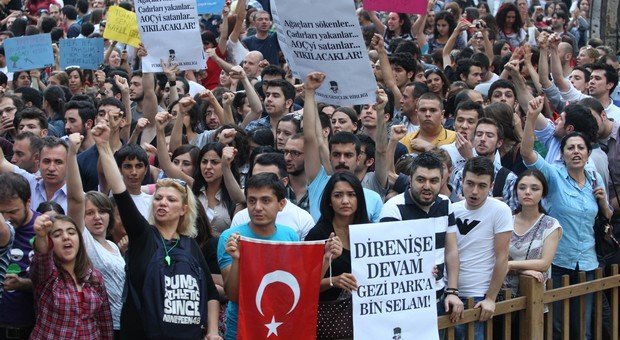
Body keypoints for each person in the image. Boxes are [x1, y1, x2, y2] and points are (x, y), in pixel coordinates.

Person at [94, 122, 222, 339]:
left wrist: (212, 331)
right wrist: (104, 147)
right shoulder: (143, 236)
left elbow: (210, 293)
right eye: (158, 198)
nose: (162, 203)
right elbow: (121, 193)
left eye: (171, 199)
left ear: (183, 209)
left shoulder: (190, 245)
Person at [522, 96, 609, 339]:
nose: (576, 152)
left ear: (588, 153)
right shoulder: (554, 176)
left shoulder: (594, 179)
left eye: (581, 148)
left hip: (589, 262)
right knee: (559, 327)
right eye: (570, 148)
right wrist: (530, 118)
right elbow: (527, 152)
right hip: (559, 261)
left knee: (584, 327)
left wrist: (603, 202)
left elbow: (608, 217)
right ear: (563, 153)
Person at [219, 173, 342, 340]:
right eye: (252, 200)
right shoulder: (231, 237)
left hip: (282, 331)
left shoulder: (290, 236)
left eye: (266, 200)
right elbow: (233, 295)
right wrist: (236, 259)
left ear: (282, 204)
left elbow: (303, 287)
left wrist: (327, 258)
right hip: (242, 332)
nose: (257, 207)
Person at [379, 152, 464, 324]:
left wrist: (452, 291)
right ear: (410, 179)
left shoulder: (445, 204)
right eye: (421, 180)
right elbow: (387, 262)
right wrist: (418, 269)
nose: (427, 186)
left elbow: (451, 250)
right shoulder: (393, 209)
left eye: (433, 181)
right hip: (403, 303)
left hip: (439, 299)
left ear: (442, 181)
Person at [65, 131, 126, 335]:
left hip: (121, 324)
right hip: (95, 324)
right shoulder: (83, 239)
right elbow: (74, 198)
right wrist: (72, 155)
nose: (97, 217)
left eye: (102, 211)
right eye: (89, 213)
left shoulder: (115, 247)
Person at [452, 156, 513, 340]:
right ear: (461, 181)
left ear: (491, 186)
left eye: (482, 185)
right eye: (470, 183)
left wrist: (490, 298)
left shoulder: (500, 210)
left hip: (478, 296)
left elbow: (502, 257)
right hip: (449, 294)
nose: (475, 191)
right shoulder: (451, 209)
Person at [30, 214, 113, 339]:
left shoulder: (94, 275)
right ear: (49, 242)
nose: (66, 237)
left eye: (71, 232)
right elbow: (41, 258)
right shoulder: (47, 276)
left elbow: (104, 320)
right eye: (57, 235)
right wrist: (41, 236)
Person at [305, 172, 368, 333]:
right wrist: (334, 280)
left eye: (351, 195)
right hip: (330, 323)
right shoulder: (318, 235)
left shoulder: (370, 231)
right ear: (329, 201)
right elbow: (304, 286)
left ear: (359, 199)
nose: (345, 201)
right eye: (338, 195)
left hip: (367, 322)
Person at [504, 170, 562, 296]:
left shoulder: (551, 225)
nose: (527, 192)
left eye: (534, 188)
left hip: (534, 296)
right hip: (503, 295)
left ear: (543, 193)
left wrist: (510, 265)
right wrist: (523, 271)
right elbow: (494, 259)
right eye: (522, 187)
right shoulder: (506, 220)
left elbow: (544, 263)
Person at [0, 172, 41, 338]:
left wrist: (24, 284)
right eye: (1, 213)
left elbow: (59, 281)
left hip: (30, 328)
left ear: (28, 202)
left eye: (12, 212)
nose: (6, 219)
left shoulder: (44, 229)